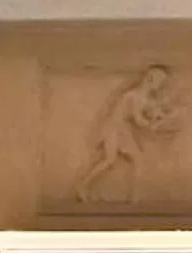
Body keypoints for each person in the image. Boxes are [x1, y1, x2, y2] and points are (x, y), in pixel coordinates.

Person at [75, 64, 184, 203]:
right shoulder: (133, 96)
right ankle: (82, 185)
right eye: (160, 82)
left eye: (162, 83)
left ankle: (134, 199)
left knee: (137, 160)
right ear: (150, 79)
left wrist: (162, 117)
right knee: (110, 159)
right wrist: (155, 125)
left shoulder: (144, 98)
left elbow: (152, 111)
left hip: (121, 129)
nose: (160, 86)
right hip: (113, 128)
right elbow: (139, 120)